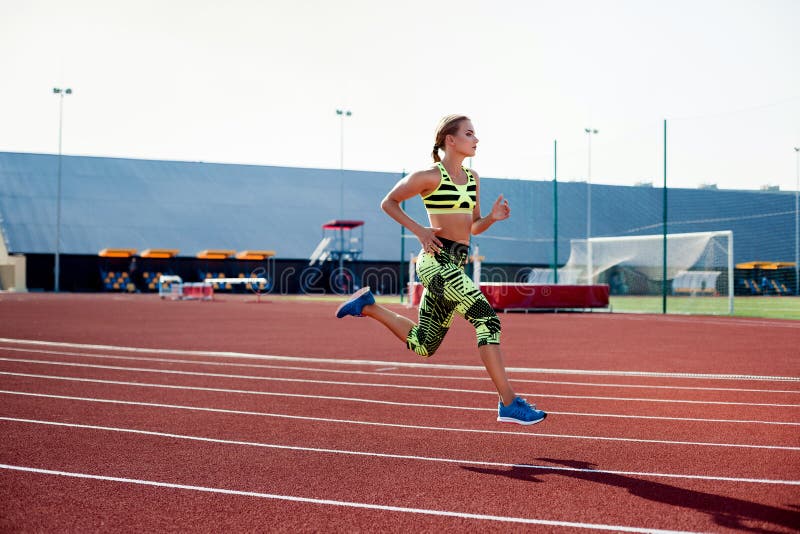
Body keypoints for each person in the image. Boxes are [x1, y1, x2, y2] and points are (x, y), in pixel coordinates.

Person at [336, 114, 546, 425]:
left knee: (423, 345)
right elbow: (389, 202)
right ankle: (509, 402)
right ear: (451, 140)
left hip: (456, 264)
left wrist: (491, 217)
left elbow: (472, 227)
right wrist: (420, 231)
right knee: (487, 321)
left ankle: (368, 307)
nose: (476, 140)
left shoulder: (473, 178)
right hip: (436, 262)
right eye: (470, 133)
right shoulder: (429, 177)